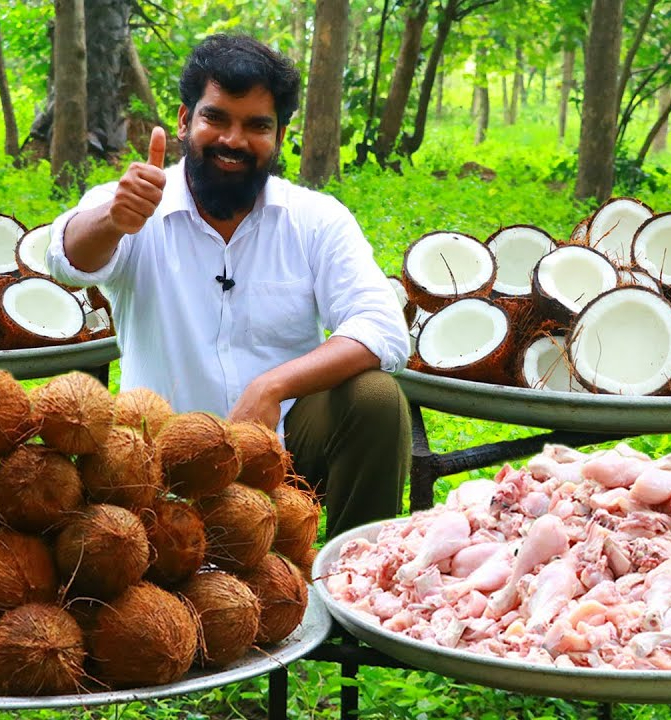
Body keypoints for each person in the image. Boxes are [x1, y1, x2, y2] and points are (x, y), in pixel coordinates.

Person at [46, 34, 411, 537]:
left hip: (282, 451)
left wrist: (272, 386)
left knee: (376, 398)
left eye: (256, 125)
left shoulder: (315, 219)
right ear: (183, 120)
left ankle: (355, 583)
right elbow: (65, 258)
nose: (234, 141)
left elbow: (382, 327)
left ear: (280, 135)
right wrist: (113, 219)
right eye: (216, 117)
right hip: (155, 459)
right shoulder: (135, 202)